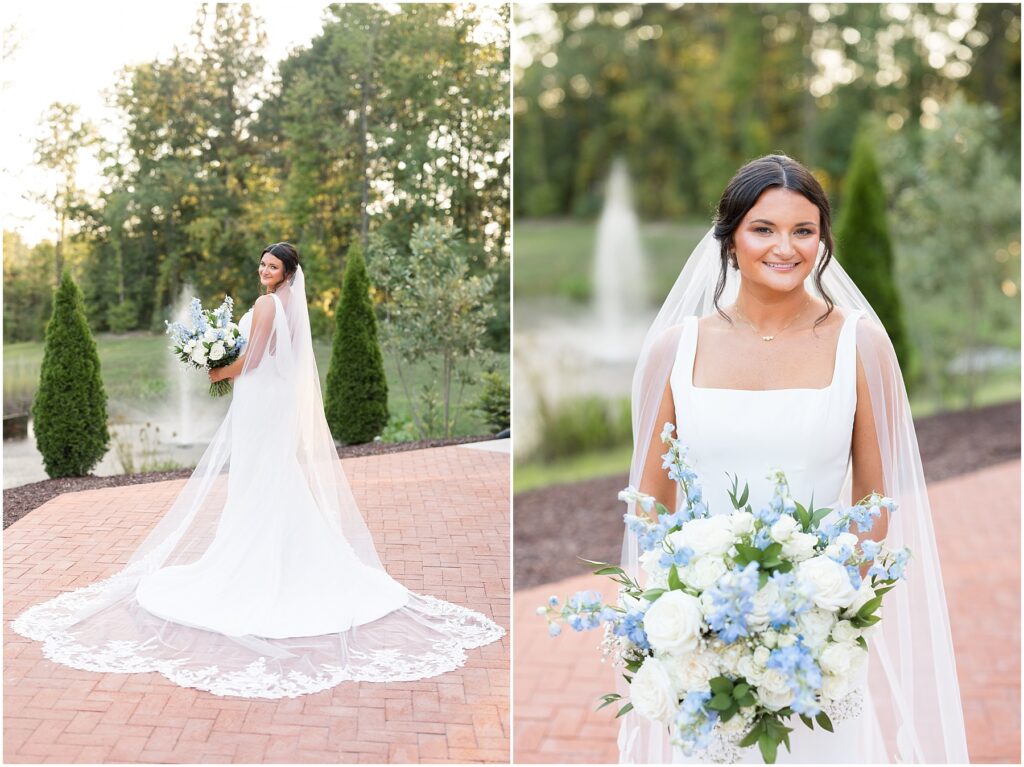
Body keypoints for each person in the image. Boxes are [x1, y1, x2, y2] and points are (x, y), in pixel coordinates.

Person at [12, 242, 504, 699]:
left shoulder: (268, 304)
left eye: (272, 266)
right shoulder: (288, 302)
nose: (263, 270)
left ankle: (262, 558)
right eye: (262, 264)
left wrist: (216, 368)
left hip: (258, 398)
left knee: (260, 474)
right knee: (271, 473)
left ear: (288, 272)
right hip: (270, 399)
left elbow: (252, 359)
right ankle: (290, 550)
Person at [617, 156, 968, 762]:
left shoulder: (860, 342)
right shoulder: (675, 350)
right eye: (764, 229)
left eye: (804, 231)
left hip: (814, 642)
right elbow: (651, 505)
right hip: (704, 644)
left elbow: (873, 501)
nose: (786, 247)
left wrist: (819, 611)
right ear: (729, 240)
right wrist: (678, 613)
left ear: (823, 240)